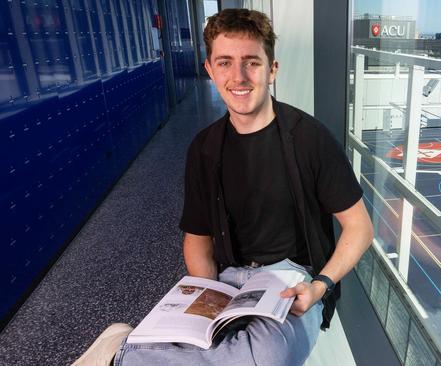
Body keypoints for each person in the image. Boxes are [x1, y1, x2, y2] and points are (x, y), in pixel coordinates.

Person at [72, 8, 372, 366]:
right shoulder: (204, 148)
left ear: (272, 70)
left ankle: (124, 353)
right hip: (229, 278)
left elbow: (360, 227)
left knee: (267, 356)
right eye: (225, 63)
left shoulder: (309, 139)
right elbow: (197, 240)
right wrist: (210, 297)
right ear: (210, 70)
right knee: (232, 350)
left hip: (291, 278)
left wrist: (321, 285)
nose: (239, 77)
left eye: (252, 62)